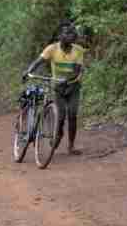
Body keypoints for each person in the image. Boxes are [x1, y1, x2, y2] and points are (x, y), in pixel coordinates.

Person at [23, 22, 85, 155]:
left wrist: (67, 80)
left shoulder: (78, 50)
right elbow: (38, 61)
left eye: (72, 33)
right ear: (59, 36)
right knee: (61, 116)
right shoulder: (52, 49)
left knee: (72, 115)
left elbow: (77, 71)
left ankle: (71, 146)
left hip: (73, 86)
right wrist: (28, 71)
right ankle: (58, 135)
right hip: (58, 87)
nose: (71, 35)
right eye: (67, 33)